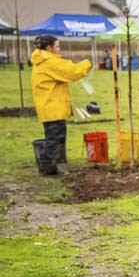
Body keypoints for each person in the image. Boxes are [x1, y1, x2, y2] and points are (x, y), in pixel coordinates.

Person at [30, 35, 91, 175]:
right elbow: (73, 72)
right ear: (49, 48)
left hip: (51, 106)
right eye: (57, 46)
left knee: (57, 138)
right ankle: (47, 168)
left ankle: (50, 166)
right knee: (53, 140)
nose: (59, 49)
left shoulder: (44, 60)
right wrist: (87, 63)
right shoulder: (49, 61)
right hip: (52, 107)